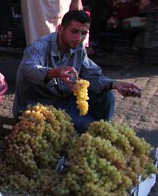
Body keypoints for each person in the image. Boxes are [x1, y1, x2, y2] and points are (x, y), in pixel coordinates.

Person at [13, 10, 141, 133]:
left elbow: (92, 74)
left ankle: (96, 134)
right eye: (74, 31)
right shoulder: (39, 47)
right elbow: (28, 69)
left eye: (83, 33)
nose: (78, 38)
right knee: (88, 126)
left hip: (64, 101)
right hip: (37, 105)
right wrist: (56, 72)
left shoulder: (78, 48)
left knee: (107, 96)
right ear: (60, 28)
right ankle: (90, 132)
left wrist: (114, 84)